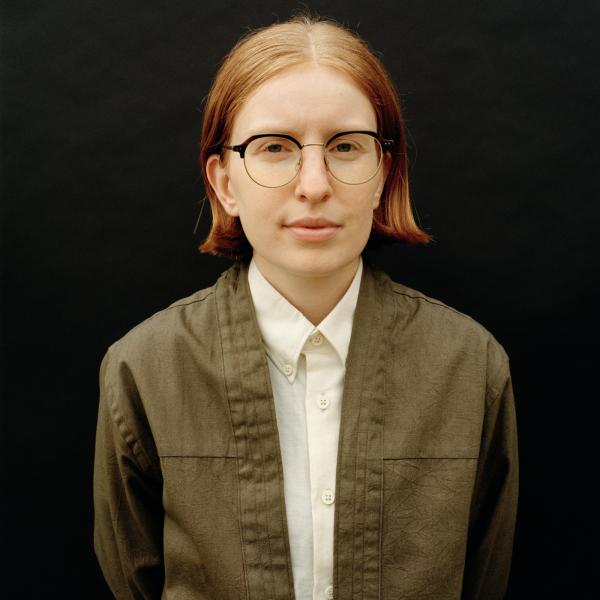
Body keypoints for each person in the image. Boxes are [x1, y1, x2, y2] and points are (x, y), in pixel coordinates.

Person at [93, 13, 518, 600]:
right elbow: (131, 579)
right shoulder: (143, 367)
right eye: (274, 147)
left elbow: (485, 575)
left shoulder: (470, 366)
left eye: (345, 146)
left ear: (381, 174)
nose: (314, 183)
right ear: (224, 182)